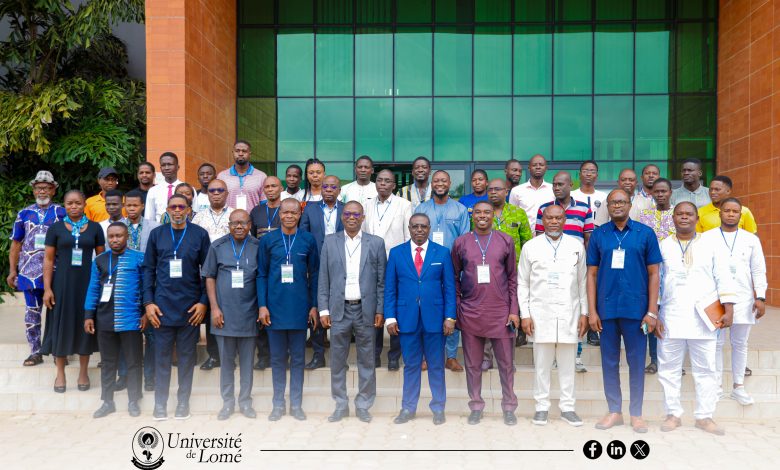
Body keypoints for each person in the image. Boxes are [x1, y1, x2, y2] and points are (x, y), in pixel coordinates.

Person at [586, 188, 662, 433]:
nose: (617, 205)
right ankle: (614, 411)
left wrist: (652, 311)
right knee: (609, 362)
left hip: (636, 310)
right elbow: (591, 274)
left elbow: (654, 274)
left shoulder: (645, 234)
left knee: (637, 362)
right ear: (607, 207)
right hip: (606, 310)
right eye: (612, 202)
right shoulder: (599, 236)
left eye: (621, 201)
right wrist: (592, 311)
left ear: (630, 204)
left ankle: (636, 414)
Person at [657, 202, 733, 435]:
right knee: (669, 368)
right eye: (679, 214)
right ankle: (673, 414)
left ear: (696, 217)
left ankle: (704, 416)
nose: (684, 218)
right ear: (673, 218)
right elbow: (656, 281)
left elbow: (723, 276)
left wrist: (728, 308)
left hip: (704, 317)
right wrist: (655, 313)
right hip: (671, 315)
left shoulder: (711, 245)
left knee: (706, 369)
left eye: (689, 214)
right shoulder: (663, 245)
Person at [518, 205, 588, 427]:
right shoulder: (531, 247)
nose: (554, 222)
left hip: (569, 313)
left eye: (559, 218)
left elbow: (583, 282)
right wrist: (525, 314)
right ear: (543, 220)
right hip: (541, 316)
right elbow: (523, 283)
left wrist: (584, 313)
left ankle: (568, 408)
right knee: (541, 366)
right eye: (550, 218)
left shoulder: (576, 246)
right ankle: (541, 408)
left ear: (565, 219)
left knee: (568, 366)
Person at [143, 194, 211, 420]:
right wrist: (149, 303)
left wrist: (203, 302)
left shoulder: (200, 235)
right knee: (161, 359)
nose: (177, 210)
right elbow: (148, 271)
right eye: (173, 207)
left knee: (186, 358)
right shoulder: (157, 235)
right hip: (161, 309)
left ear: (189, 210)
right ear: (167, 209)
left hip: (190, 310)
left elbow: (207, 272)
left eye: (182, 206)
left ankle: (183, 403)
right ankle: (160, 405)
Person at [452, 201, 520, 426]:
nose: (482, 216)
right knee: (472, 365)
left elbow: (512, 278)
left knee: (506, 364)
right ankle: (476, 406)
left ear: (494, 216)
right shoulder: (461, 243)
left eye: (487, 213)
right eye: (478, 212)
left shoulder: (505, 240)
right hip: (471, 313)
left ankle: (509, 407)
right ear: (472, 215)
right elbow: (454, 279)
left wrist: (513, 311)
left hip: (500, 313)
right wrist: (458, 309)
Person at [319, 201, 387, 423]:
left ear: (363, 217)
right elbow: (323, 279)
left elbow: (381, 281)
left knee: (367, 360)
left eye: (355, 214)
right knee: (338, 361)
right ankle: (340, 405)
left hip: (365, 310)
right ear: (341, 217)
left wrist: (380, 309)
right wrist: (323, 309)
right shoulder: (330, 242)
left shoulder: (376, 243)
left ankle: (364, 404)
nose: (351, 217)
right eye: (347, 213)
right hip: (339, 310)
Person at [385, 213, 455, 425]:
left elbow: (450, 288)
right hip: (406, 319)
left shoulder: (442, 253)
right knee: (411, 365)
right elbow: (390, 289)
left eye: (423, 227)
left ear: (429, 228)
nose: (419, 230)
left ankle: (438, 408)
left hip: (435, 319)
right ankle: (408, 408)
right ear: (409, 227)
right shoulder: (396, 254)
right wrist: (390, 317)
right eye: (415, 226)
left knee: (436, 365)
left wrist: (450, 317)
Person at [257, 198, 320, 421]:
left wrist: (313, 305)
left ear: (299, 214)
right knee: (277, 359)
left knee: (298, 359)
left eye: (294, 212)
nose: (290, 216)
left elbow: (315, 275)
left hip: (299, 310)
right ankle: (277, 405)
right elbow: (261, 274)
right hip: (274, 309)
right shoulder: (268, 240)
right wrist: (262, 305)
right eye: (285, 212)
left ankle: (296, 405)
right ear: (279, 214)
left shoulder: (308, 240)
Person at [702, 198, 767, 406]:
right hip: (715, 299)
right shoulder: (706, 238)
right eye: (727, 210)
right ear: (719, 213)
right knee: (716, 344)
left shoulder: (751, 239)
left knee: (740, 344)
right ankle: (717, 387)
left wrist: (761, 296)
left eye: (735, 211)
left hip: (744, 298)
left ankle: (738, 386)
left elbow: (758, 269)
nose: (731, 214)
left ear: (741, 215)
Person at [42, 190, 105, 393]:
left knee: (85, 325)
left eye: (78, 203)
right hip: (62, 285)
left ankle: (83, 372)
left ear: (84, 204)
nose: (73, 206)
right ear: (64, 205)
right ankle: (60, 373)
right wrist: (47, 288)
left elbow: (102, 259)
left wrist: (102, 287)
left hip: (87, 284)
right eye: (69, 203)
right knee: (61, 325)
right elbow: (49, 260)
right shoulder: (56, 228)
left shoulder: (95, 228)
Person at [202, 209, 261, 420]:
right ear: (228, 225)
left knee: (247, 364)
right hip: (223, 316)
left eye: (243, 223)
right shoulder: (217, 246)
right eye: (234, 223)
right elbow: (209, 277)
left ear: (250, 224)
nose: (239, 226)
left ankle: (245, 402)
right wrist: (214, 308)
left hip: (249, 315)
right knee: (226, 363)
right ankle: (227, 403)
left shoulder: (257, 247)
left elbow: (262, 278)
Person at [84, 222, 145, 418]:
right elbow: (93, 289)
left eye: (119, 236)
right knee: (108, 362)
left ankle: (134, 400)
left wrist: (145, 313)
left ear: (127, 237)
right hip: (105, 320)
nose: (115, 240)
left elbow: (146, 288)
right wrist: (88, 316)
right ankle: (107, 401)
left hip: (131, 319)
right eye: (111, 236)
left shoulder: (138, 258)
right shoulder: (100, 260)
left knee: (134, 361)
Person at [7, 171, 66, 367]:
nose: (42, 190)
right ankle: (35, 351)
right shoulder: (24, 214)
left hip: (57, 271)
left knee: (58, 313)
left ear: (54, 189)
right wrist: (12, 270)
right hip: (28, 272)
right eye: (39, 187)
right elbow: (16, 244)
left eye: (46, 187)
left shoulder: (62, 212)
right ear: (33, 190)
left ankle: (59, 351)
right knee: (32, 313)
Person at [415, 170, 470, 372]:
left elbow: (464, 241)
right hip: (426, 268)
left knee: (451, 308)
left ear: (449, 183)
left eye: (444, 180)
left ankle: (451, 356)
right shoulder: (421, 208)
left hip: (453, 267)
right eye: (436, 180)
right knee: (425, 311)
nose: (440, 183)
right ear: (431, 183)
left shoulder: (460, 210)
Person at [361, 169, 410, 370]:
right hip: (371, 265)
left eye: (387, 181)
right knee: (375, 308)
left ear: (393, 185)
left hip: (395, 263)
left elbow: (409, 236)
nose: (382, 183)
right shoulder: (366, 205)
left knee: (395, 308)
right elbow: (363, 235)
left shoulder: (404, 205)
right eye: (379, 180)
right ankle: (374, 354)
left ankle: (394, 356)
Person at [483, 178, 533, 364]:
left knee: (512, 308)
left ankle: (506, 359)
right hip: (488, 272)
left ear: (506, 191)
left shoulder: (518, 213)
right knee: (488, 312)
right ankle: (486, 357)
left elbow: (527, 241)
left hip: (515, 270)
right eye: (490, 190)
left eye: (498, 189)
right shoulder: (481, 212)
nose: (493, 192)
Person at [300, 174, 344, 369]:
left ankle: (339, 357)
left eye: (332, 187)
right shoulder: (310, 209)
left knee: (340, 309)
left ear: (339, 190)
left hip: (342, 264)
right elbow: (303, 235)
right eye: (325, 186)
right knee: (317, 305)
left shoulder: (346, 210)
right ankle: (318, 354)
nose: (328, 189)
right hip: (316, 263)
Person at [192, 179, 234, 371]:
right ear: (207, 194)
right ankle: (214, 355)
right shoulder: (198, 218)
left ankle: (230, 356)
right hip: (205, 272)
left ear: (226, 193)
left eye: (220, 190)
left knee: (230, 313)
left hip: (230, 272)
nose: (216, 193)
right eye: (212, 190)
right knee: (210, 313)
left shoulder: (235, 215)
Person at [638, 178, 676, 375]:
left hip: (674, 274)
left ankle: (671, 360)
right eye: (657, 191)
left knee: (671, 316)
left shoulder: (679, 214)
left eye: (664, 191)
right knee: (652, 313)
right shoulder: (644, 217)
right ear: (651, 194)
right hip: (649, 273)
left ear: (670, 193)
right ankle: (654, 359)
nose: (660, 194)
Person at [124, 189, 159, 391]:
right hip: (127, 288)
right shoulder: (119, 227)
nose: (131, 208)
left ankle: (150, 377)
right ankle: (127, 375)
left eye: (135, 205)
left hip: (148, 285)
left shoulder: (154, 228)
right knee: (127, 334)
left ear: (142, 206)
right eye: (128, 205)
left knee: (152, 335)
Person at [248, 177, 283, 370]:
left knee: (280, 310)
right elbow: (251, 238)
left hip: (281, 266)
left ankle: (281, 354)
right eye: (267, 187)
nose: (270, 190)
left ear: (281, 188)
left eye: (274, 186)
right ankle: (263, 355)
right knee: (260, 309)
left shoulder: (287, 209)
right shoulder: (257, 211)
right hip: (260, 266)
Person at [535, 171, 594, 245]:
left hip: (576, 254)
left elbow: (588, 239)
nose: (556, 188)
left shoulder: (585, 209)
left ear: (571, 185)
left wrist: (586, 256)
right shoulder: (544, 209)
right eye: (554, 185)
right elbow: (539, 237)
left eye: (560, 184)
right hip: (549, 254)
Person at [217, 140, 267, 212]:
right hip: (228, 220)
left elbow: (264, 203)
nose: (240, 153)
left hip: (252, 221)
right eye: (237, 151)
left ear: (250, 154)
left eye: (244, 151)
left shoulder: (261, 176)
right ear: (233, 153)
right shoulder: (222, 176)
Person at [508, 154, 554, 228]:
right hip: (525, 237)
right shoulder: (516, 191)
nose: (538, 167)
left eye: (541, 165)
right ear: (529, 168)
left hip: (547, 236)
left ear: (546, 168)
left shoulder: (553, 189)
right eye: (534, 165)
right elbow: (512, 217)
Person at [145, 152, 184, 221]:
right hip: (159, 229)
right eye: (163, 165)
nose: (166, 168)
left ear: (178, 167)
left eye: (170, 164)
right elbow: (149, 218)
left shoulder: (187, 189)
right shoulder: (153, 191)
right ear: (160, 168)